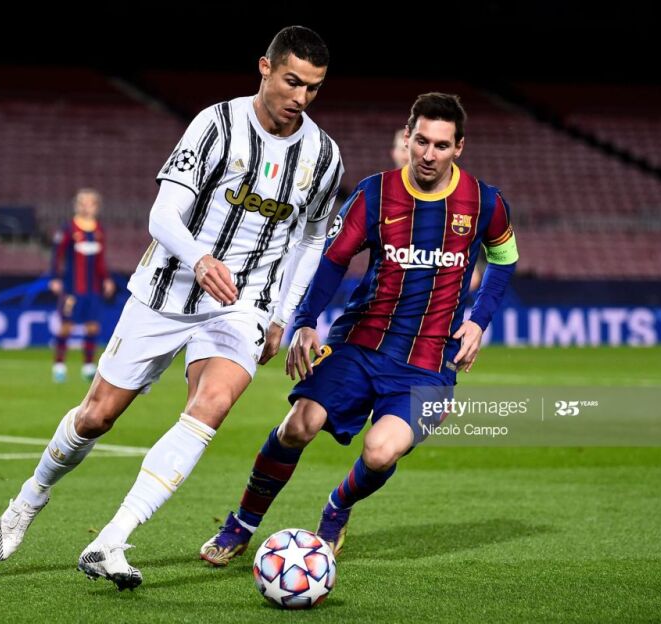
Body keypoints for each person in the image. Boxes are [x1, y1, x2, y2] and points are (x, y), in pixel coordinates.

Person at [0, 26, 343, 591]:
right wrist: (200, 259)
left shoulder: (323, 155)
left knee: (211, 405)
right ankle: (31, 496)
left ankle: (111, 540)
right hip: (167, 290)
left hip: (244, 303)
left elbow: (311, 239)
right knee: (96, 416)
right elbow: (162, 215)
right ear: (265, 68)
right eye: (292, 81)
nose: (300, 97)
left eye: (313, 88)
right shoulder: (216, 125)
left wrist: (283, 314)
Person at [200, 92, 518, 565]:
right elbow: (333, 260)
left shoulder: (484, 202)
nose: (429, 154)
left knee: (380, 452)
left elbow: (504, 259)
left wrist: (478, 320)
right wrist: (305, 322)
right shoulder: (375, 194)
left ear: (459, 147)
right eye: (421, 141)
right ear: (407, 138)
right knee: (299, 424)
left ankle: (337, 509)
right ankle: (241, 525)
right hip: (360, 343)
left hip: (429, 362)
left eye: (441, 145)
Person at [49, 189, 116, 383]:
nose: (87, 207)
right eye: (83, 203)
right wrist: (55, 278)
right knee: (66, 326)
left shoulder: (99, 230)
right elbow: (57, 255)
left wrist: (106, 279)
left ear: (96, 207)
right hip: (72, 288)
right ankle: (59, 365)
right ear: (77, 206)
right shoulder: (68, 228)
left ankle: (88, 366)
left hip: (93, 288)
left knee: (92, 327)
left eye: (91, 203)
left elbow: (100, 259)